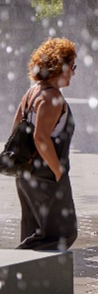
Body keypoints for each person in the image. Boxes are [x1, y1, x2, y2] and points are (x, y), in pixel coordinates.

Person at [12, 37, 78, 250]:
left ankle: (24, 278)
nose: (73, 73)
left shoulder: (32, 93)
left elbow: (16, 130)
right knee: (63, 233)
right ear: (61, 66)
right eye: (72, 67)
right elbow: (41, 138)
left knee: (35, 233)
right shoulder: (52, 98)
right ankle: (9, 268)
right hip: (47, 178)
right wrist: (58, 171)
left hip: (26, 175)